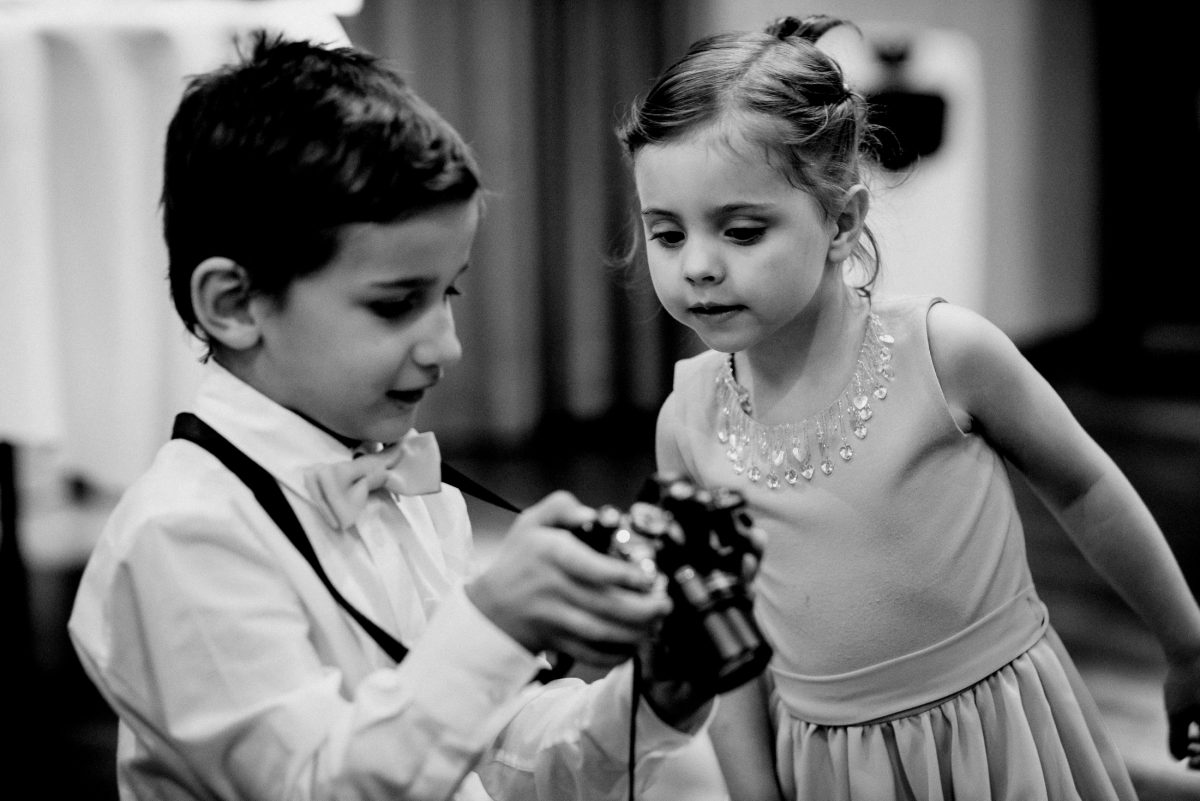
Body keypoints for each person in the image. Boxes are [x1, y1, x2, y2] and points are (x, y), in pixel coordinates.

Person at [67, 32, 719, 801]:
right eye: (395, 304)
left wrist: (647, 702)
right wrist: (495, 622)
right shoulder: (179, 538)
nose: (448, 345)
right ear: (236, 304)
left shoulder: (399, 475)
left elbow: (482, 746)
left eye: (449, 293)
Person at [616, 12, 1200, 800]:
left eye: (742, 230)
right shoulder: (686, 422)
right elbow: (726, 642)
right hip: (832, 771)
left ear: (842, 219)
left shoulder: (949, 351)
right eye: (667, 234)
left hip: (999, 738)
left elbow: (1085, 490)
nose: (701, 266)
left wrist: (1188, 645)